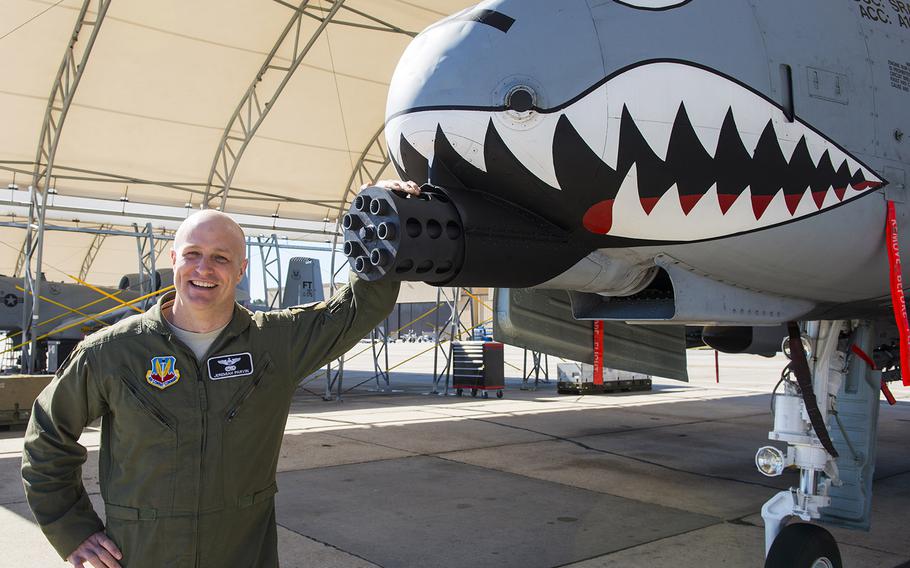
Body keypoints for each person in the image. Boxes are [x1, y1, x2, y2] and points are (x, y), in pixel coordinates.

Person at [21, 180, 419, 567]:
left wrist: (386, 213)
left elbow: (356, 309)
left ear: (241, 268)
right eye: (192, 254)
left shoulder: (274, 344)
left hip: (242, 554)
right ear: (173, 259)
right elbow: (47, 437)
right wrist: (71, 529)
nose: (204, 269)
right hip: (142, 555)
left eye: (221, 258)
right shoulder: (113, 351)